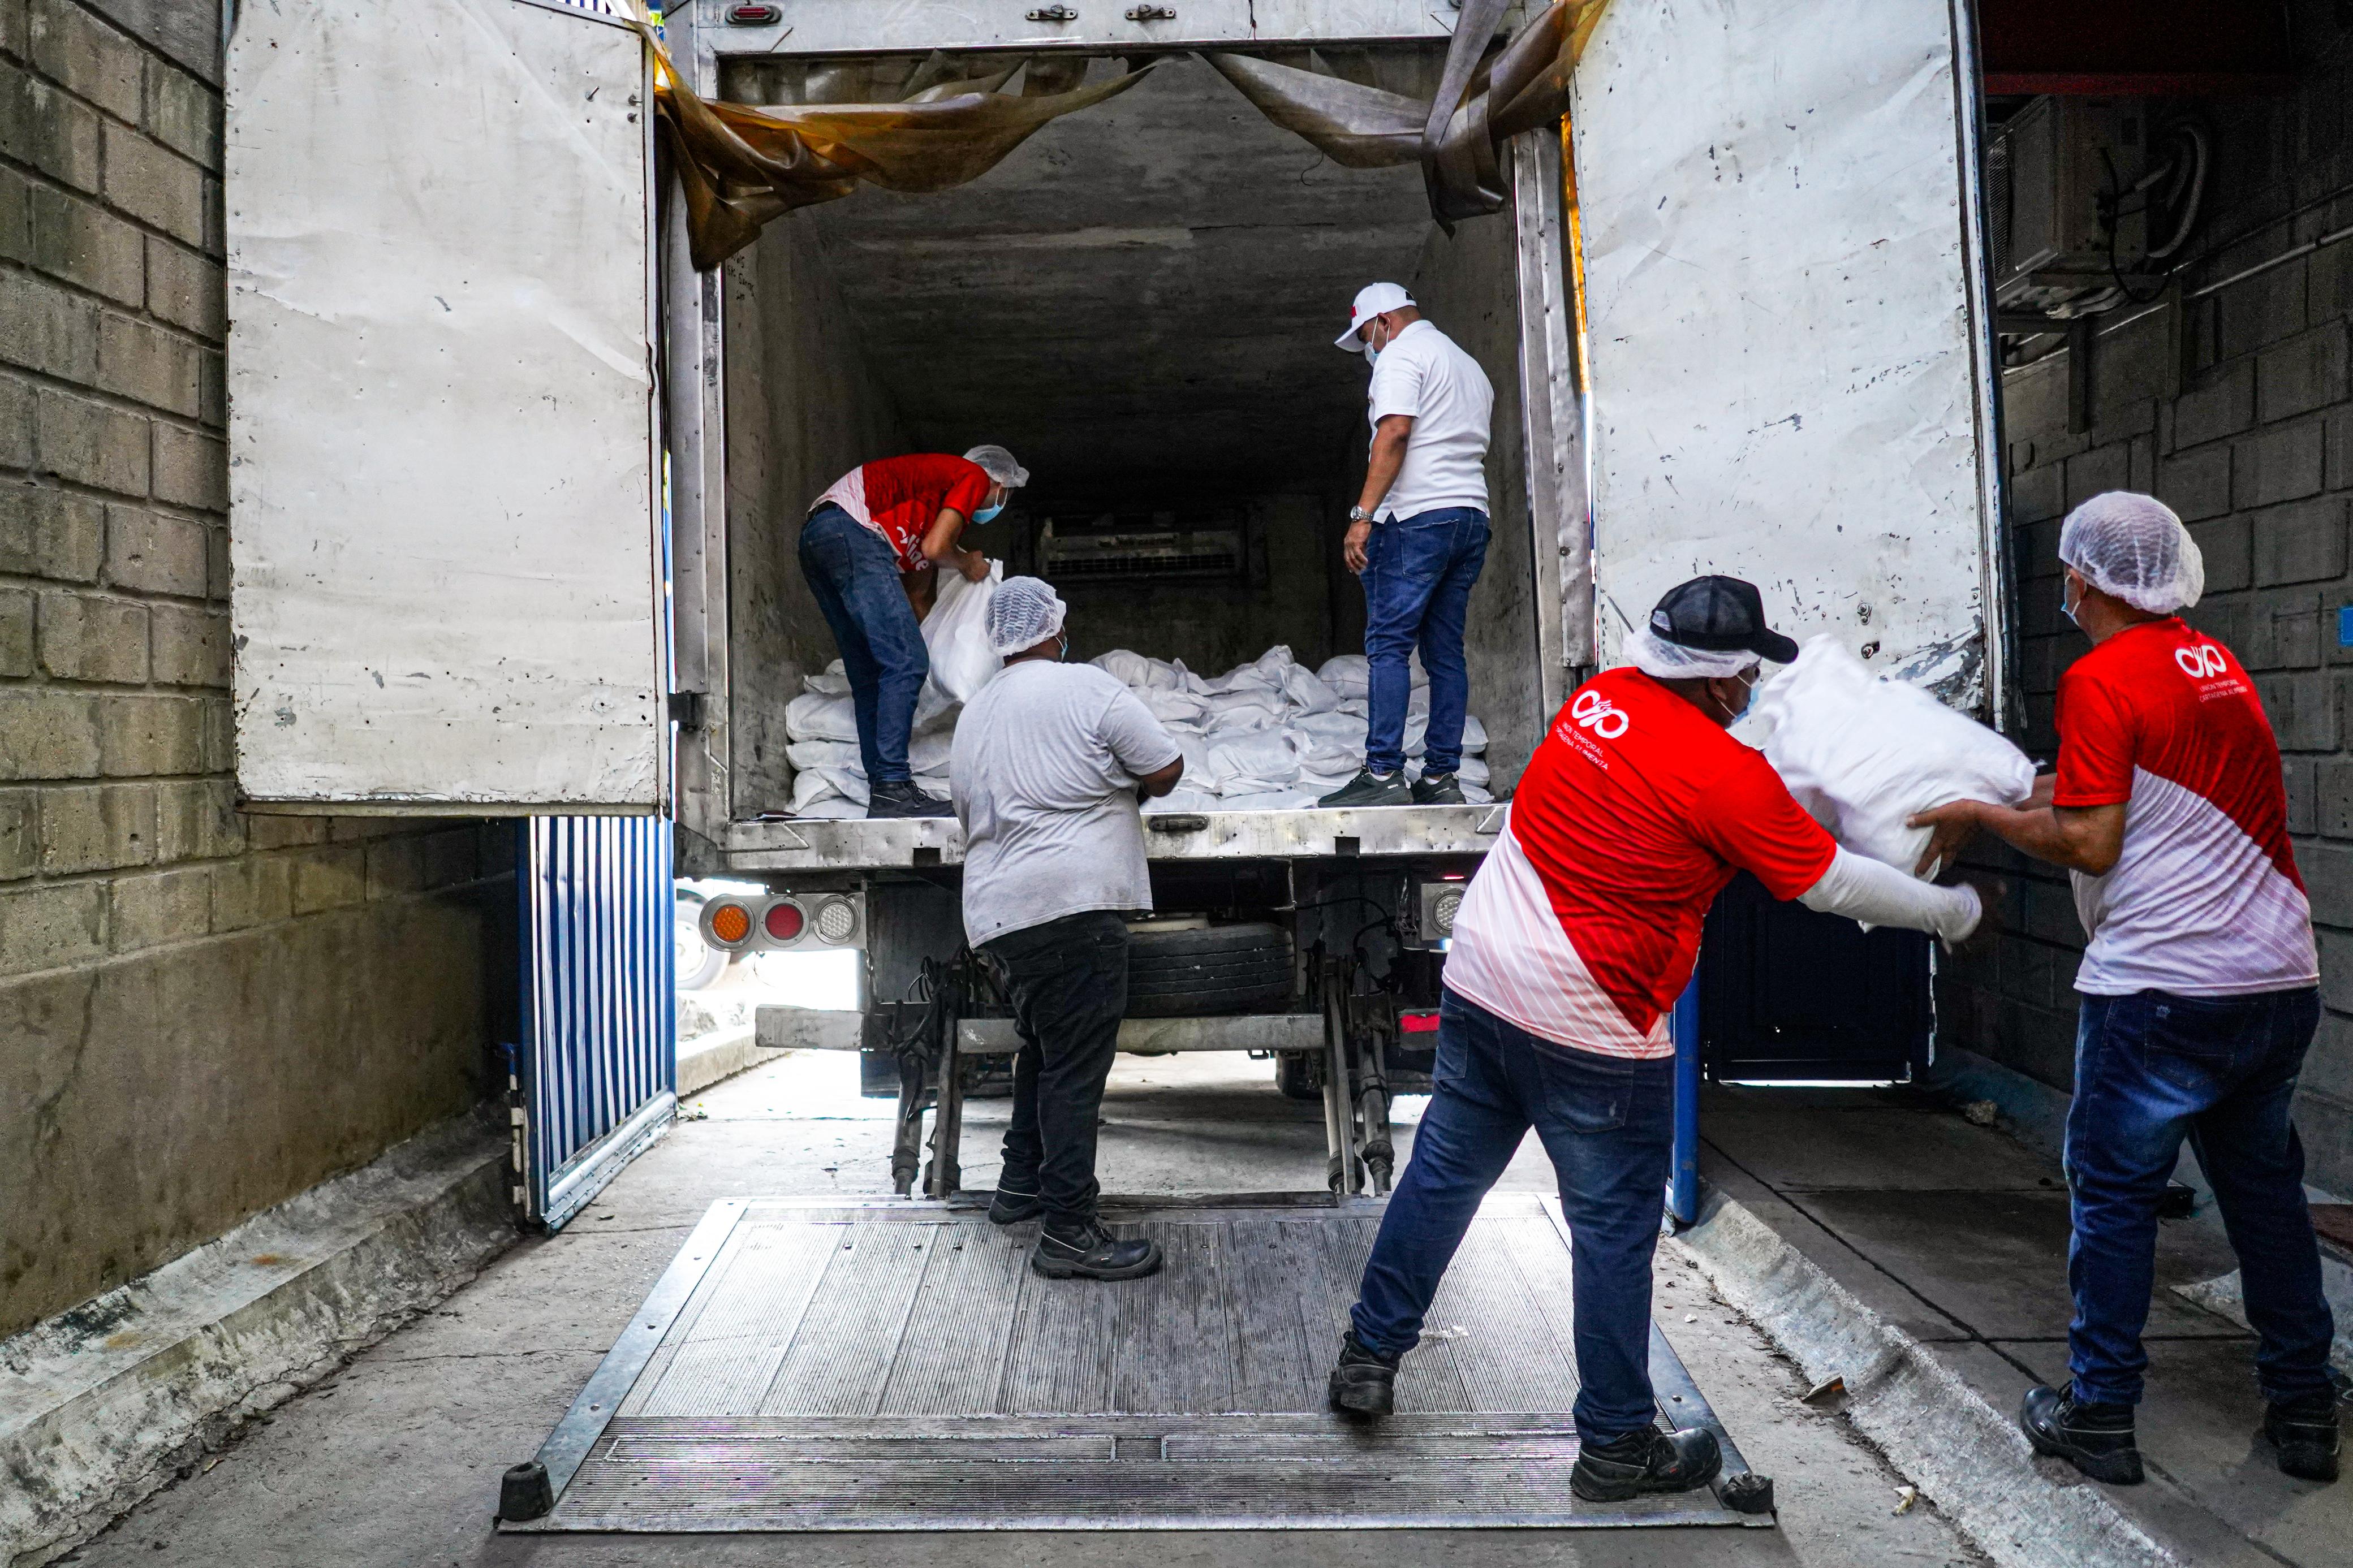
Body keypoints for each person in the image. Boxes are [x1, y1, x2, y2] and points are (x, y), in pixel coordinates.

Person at [1326, 575, 1988, 1503]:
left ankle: (1367, 1355)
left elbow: (1675, 787)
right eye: (1749, 673)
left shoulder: (1597, 703)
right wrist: (1949, 910)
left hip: (1482, 974)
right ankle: (1616, 1444)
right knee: (1611, 1230)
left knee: (1443, 1176)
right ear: (1719, 681)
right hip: (1593, 1014)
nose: (1754, 687)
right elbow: (1828, 883)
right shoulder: (1725, 775)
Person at [1910, 492, 2338, 1488]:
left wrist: (1982, 813)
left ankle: (2099, 1413)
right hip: (2277, 980)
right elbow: (2132, 790)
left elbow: (2091, 837)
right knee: (2267, 1199)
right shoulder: (2215, 664)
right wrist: (2016, 788)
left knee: (2113, 1200)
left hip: (2160, 990)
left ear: (2081, 578)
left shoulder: (2100, 677)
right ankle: (2306, 1409)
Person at [952, 576, 1187, 1281]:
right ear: (1054, 630)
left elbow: (966, 809)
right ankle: (1067, 1231)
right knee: (1075, 1073)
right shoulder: (1086, 687)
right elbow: (1166, 767)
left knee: (1044, 1051)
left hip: (998, 913)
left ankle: (1018, 1186)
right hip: (1071, 903)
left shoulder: (974, 712)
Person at [1317, 282, 1496, 809]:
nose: (1367, 349)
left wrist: (1362, 516)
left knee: (1389, 645)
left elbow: (1394, 432)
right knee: (1444, 652)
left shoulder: (1401, 355)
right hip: (1470, 516)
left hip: (1417, 518)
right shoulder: (1468, 365)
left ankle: (1383, 772)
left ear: (1385, 322)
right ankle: (1441, 776)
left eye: (1366, 336)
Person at [799, 444, 1028, 819]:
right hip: (850, 530)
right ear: (1000, 483)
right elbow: (938, 548)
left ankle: (884, 791)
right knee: (905, 662)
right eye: (1006, 495)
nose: (999, 504)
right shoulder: (972, 476)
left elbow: (918, 598)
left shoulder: (920, 516)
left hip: (820, 538)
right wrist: (966, 562)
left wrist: (941, 659)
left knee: (872, 673)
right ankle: (893, 786)